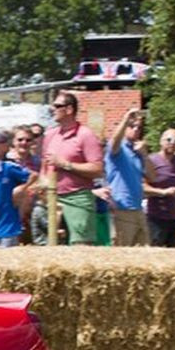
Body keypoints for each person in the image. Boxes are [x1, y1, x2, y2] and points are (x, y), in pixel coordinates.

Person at [42, 90, 104, 245]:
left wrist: (65, 164)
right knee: (51, 247)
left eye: (57, 106)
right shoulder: (50, 135)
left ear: (69, 110)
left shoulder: (85, 135)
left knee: (81, 248)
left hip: (78, 198)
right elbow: (44, 166)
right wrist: (42, 183)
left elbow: (97, 170)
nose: (52, 109)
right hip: (52, 198)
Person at [103, 108, 153, 247]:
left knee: (145, 252)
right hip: (121, 208)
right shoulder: (118, 149)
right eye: (132, 126)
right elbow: (114, 143)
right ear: (125, 128)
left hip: (138, 209)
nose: (136, 129)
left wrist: (144, 154)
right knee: (122, 252)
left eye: (139, 127)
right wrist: (125, 119)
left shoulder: (138, 150)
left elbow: (153, 177)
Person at [145, 129, 175, 248]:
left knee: (172, 255)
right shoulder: (151, 160)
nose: (172, 143)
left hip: (174, 216)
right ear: (161, 141)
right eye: (169, 139)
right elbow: (142, 187)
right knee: (155, 253)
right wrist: (163, 192)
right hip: (155, 217)